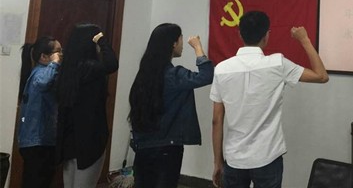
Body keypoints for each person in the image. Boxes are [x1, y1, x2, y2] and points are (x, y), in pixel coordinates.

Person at [210, 11, 329, 188]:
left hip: (235, 158)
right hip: (267, 157)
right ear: (267, 35)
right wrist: (304, 39)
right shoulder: (277, 64)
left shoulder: (221, 69)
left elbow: (216, 120)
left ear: (240, 34)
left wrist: (217, 162)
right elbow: (321, 76)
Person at [129, 23, 214, 188]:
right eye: (181, 39)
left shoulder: (144, 74)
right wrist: (198, 47)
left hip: (143, 145)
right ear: (173, 43)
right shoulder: (174, 75)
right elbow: (206, 75)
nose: (182, 44)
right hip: (167, 148)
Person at [56, 23, 118, 188]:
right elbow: (112, 64)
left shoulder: (66, 70)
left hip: (69, 140)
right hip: (89, 139)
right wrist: (102, 41)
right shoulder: (89, 68)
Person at [17, 36, 62, 188]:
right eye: (57, 51)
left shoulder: (39, 72)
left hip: (37, 141)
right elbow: (44, 82)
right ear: (44, 56)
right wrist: (55, 63)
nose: (61, 54)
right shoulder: (40, 74)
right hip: (38, 141)